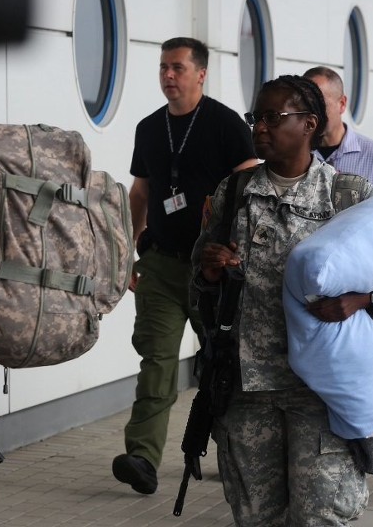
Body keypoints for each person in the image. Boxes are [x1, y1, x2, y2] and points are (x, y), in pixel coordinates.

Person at [191, 75, 373, 525]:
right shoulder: (234, 194)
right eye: (255, 118)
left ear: (309, 124)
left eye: (272, 118)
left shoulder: (350, 196)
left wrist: (364, 300)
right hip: (247, 390)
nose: (260, 128)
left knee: (321, 517)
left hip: (321, 394)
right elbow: (199, 290)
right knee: (256, 518)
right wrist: (207, 273)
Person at [113, 37, 258, 494]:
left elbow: (251, 191)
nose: (168, 76)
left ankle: (235, 455)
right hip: (160, 265)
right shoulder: (149, 128)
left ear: (201, 73)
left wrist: (240, 253)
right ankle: (142, 458)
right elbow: (140, 191)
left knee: (221, 363)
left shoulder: (226, 124)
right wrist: (129, 252)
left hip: (212, 271)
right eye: (162, 68)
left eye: (177, 67)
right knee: (156, 360)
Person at [302, 66, 373, 189]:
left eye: (320, 104)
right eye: (305, 104)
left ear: (342, 104)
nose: (312, 112)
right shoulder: (292, 154)